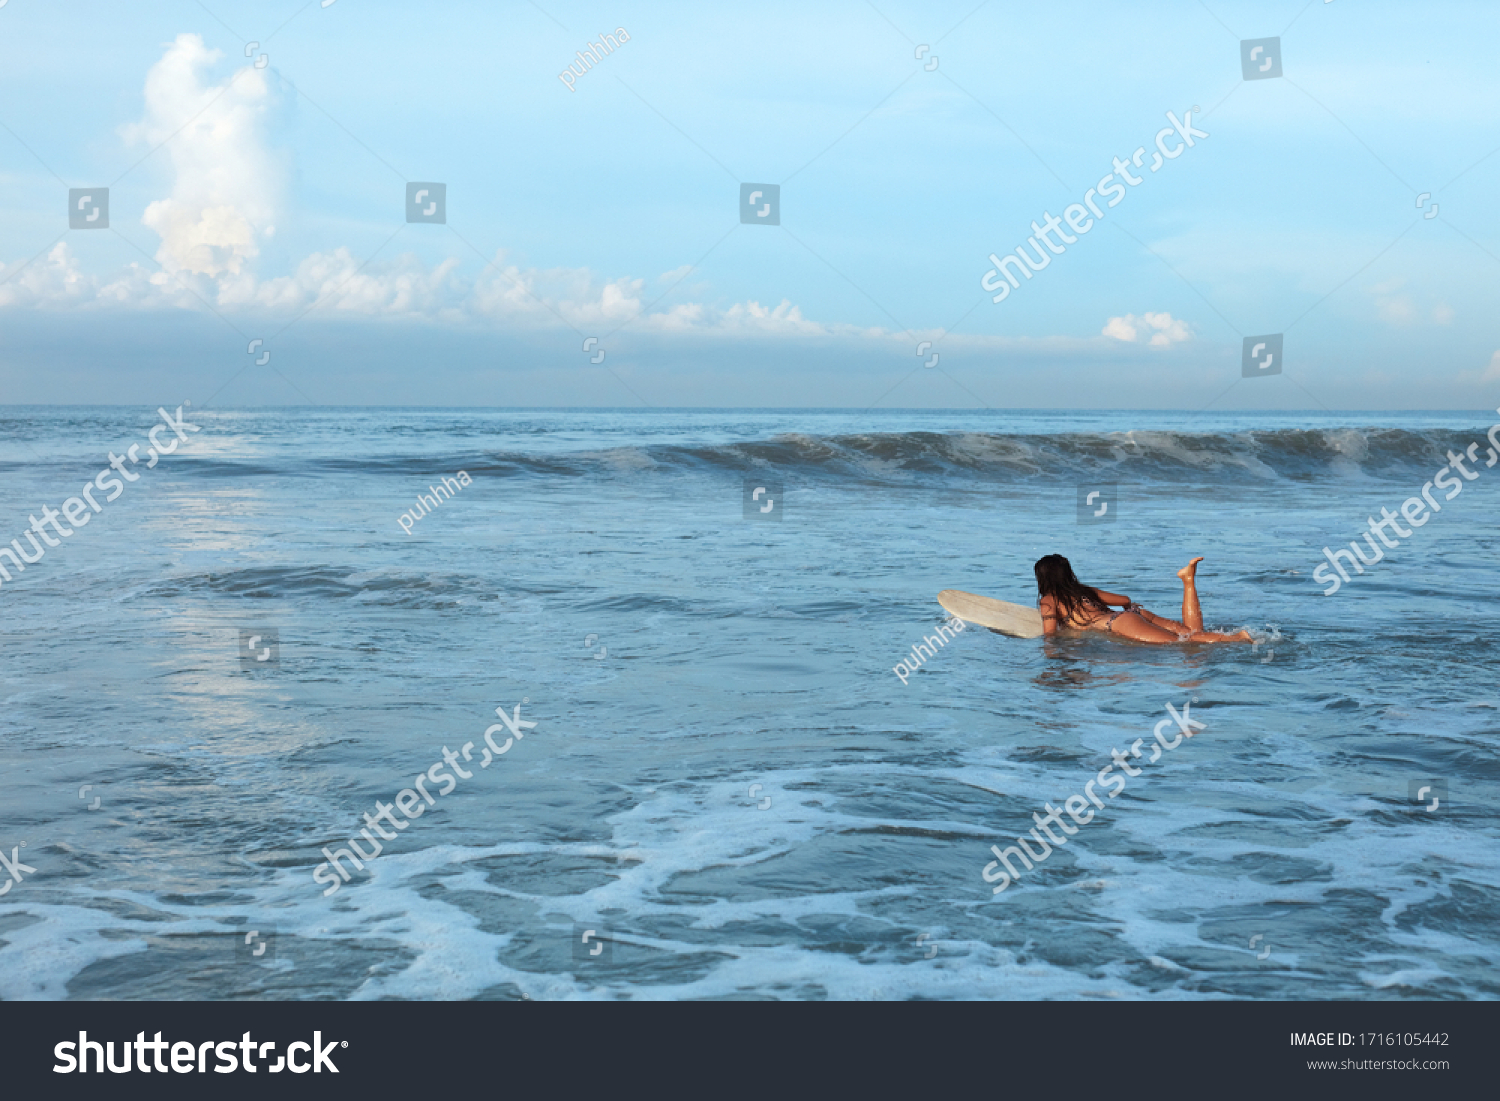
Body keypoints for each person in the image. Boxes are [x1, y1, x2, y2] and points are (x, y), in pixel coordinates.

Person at [1034, 553, 1252, 644]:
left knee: (1181, 644)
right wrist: (1129, 608)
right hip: (1132, 614)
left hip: (1118, 623)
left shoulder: (1048, 601)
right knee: (1192, 634)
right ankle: (1188, 581)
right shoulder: (1083, 589)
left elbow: (1050, 635)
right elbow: (1123, 599)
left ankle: (1237, 639)